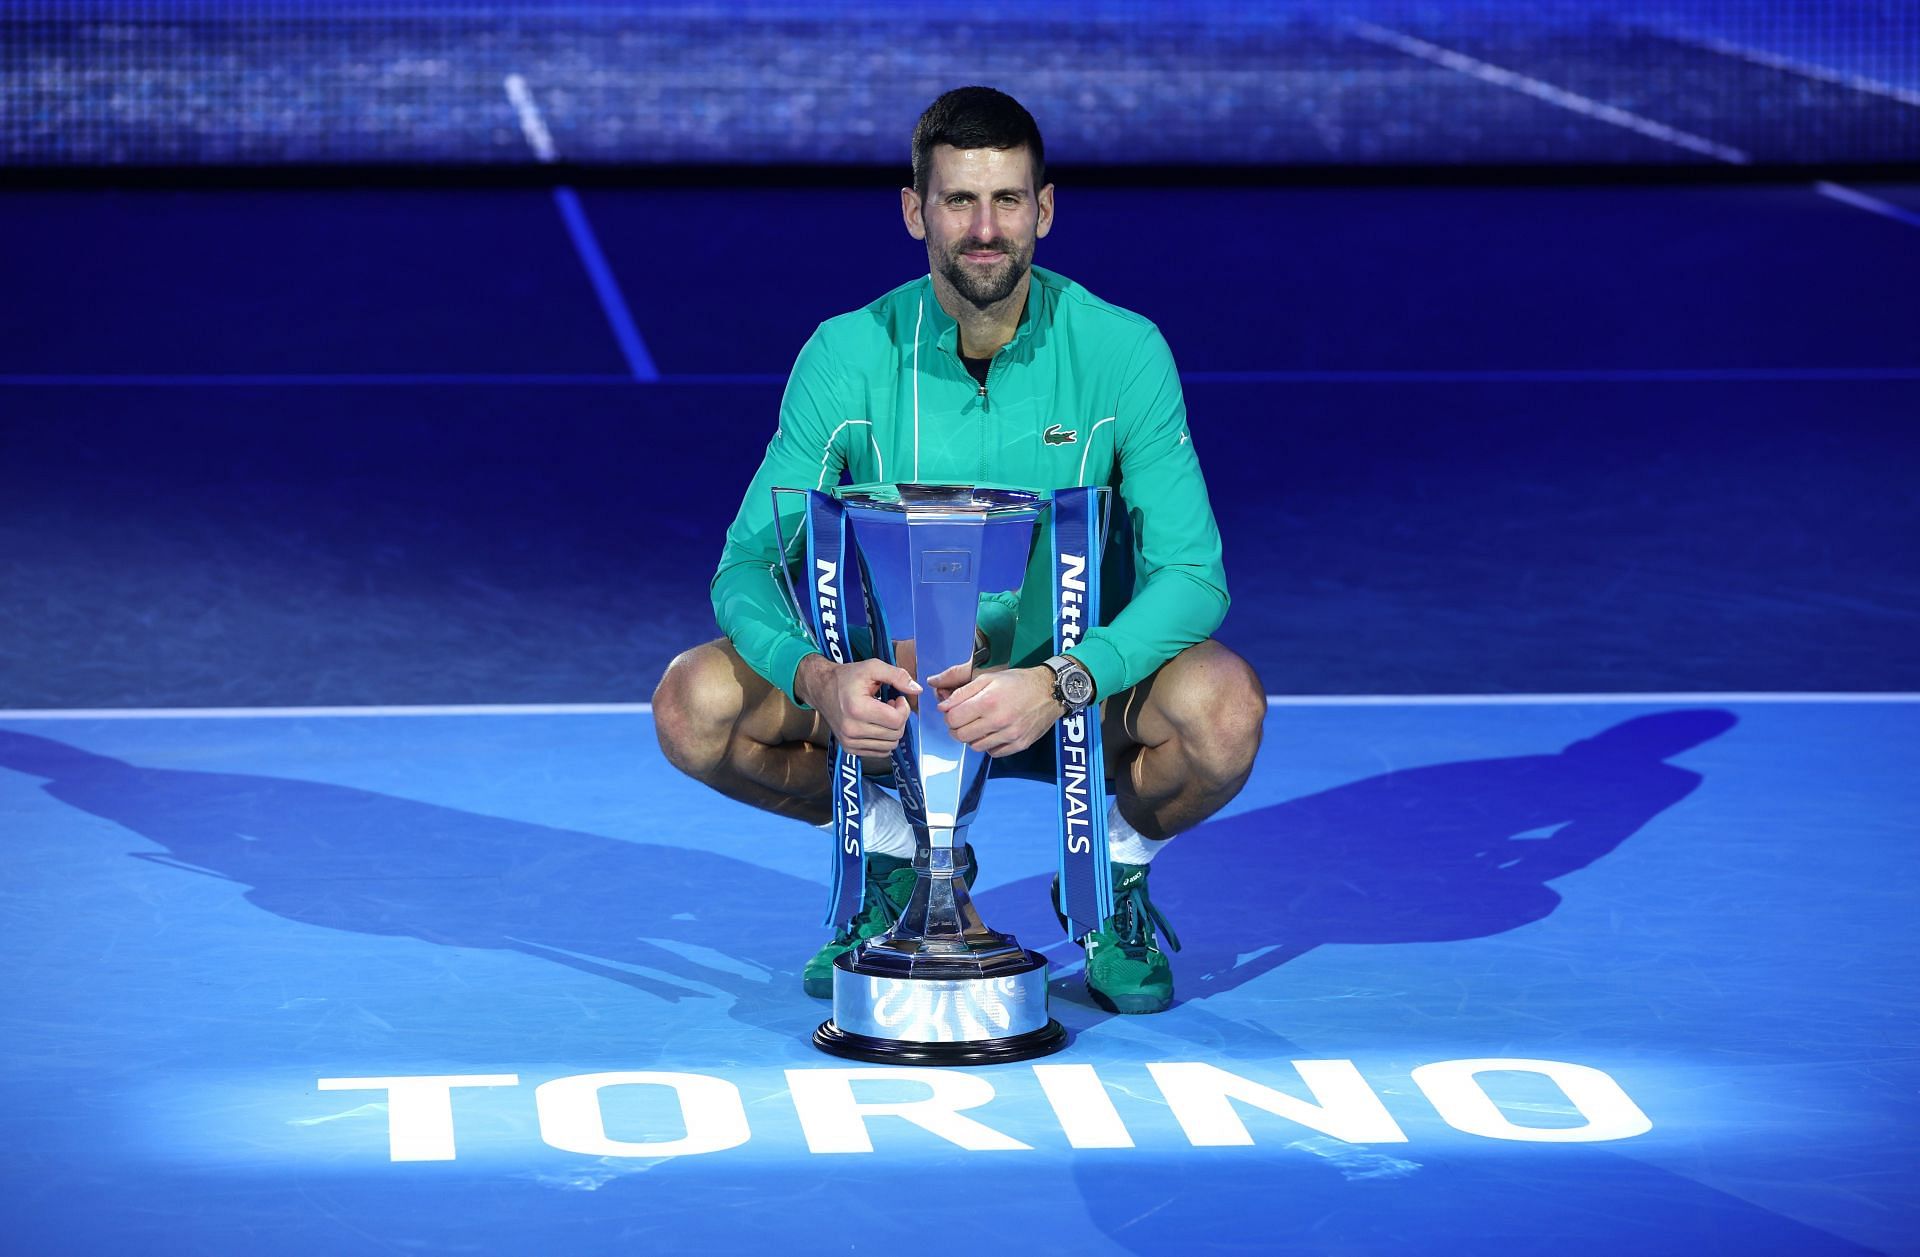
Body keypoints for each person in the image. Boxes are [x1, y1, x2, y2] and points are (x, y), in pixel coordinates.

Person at [652, 86, 1264, 1014]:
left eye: (1008, 200)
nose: (985, 229)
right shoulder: (847, 353)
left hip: (1070, 695)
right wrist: (819, 679)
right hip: (895, 705)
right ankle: (904, 853)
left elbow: (1193, 575)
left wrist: (1062, 679)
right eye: (958, 201)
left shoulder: (1123, 351)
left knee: (1223, 712)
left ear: (1044, 210)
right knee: (693, 707)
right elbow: (746, 566)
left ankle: (1110, 879)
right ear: (915, 211)